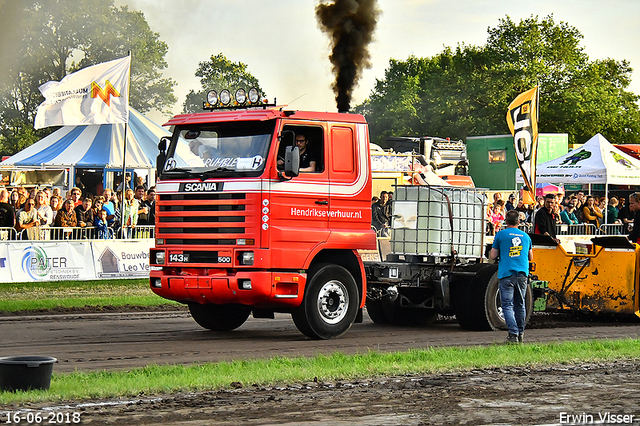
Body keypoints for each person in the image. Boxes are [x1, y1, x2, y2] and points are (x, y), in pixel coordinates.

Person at [490, 210, 533, 344]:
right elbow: (531, 257)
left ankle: (513, 334)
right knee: (520, 305)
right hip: (522, 274)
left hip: (507, 274)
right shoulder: (526, 237)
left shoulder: (501, 235)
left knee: (507, 305)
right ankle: (520, 333)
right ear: (519, 222)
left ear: (506, 221)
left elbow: (492, 255)